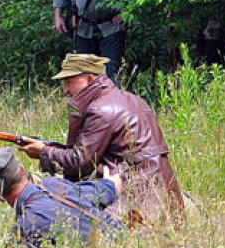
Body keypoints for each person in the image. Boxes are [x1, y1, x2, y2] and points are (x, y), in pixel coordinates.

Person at [18, 53, 184, 224]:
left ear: (90, 79)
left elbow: (80, 161)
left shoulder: (101, 109)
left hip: (136, 193)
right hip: (158, 187)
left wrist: (43, 152)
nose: (65, 90)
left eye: (69, 83)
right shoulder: (132, 99)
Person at [0, 146, 123, 248]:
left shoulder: (26, 226)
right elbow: (110, 188)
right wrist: (110, 182)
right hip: (122, 243)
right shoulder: (54, 184)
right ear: (24, 170)